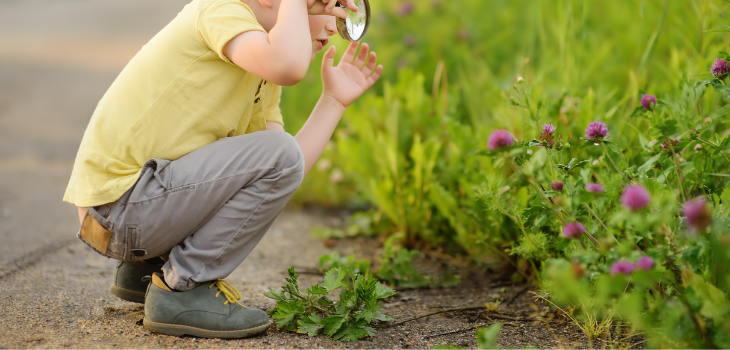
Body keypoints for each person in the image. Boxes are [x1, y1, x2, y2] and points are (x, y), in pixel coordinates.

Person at [63, 0, 382, 339]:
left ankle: (147, 268)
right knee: (278, 153)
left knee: (278, 155)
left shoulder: (259, 70)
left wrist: (332, 102)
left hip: (127, 214)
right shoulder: (221, 11)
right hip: (120, 211)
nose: (334, 27)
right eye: (319, 6)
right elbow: (289, 67)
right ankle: (181, 288)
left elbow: (284, 171)